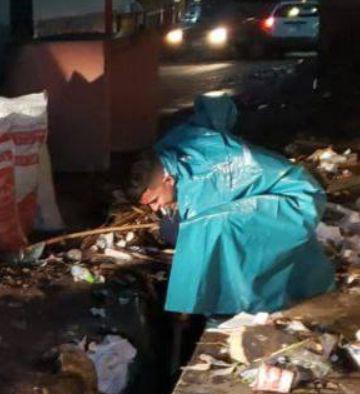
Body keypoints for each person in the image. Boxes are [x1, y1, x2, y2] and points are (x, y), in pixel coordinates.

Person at [140, 93, 335, 316]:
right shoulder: (169, 154)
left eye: (155, 201)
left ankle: (250, 302)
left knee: (216, 228)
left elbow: (199, 232)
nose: (155, 208)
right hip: (270, 196)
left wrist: (189, 303)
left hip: (298, 201)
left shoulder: (209, 178)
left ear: (168, 180)